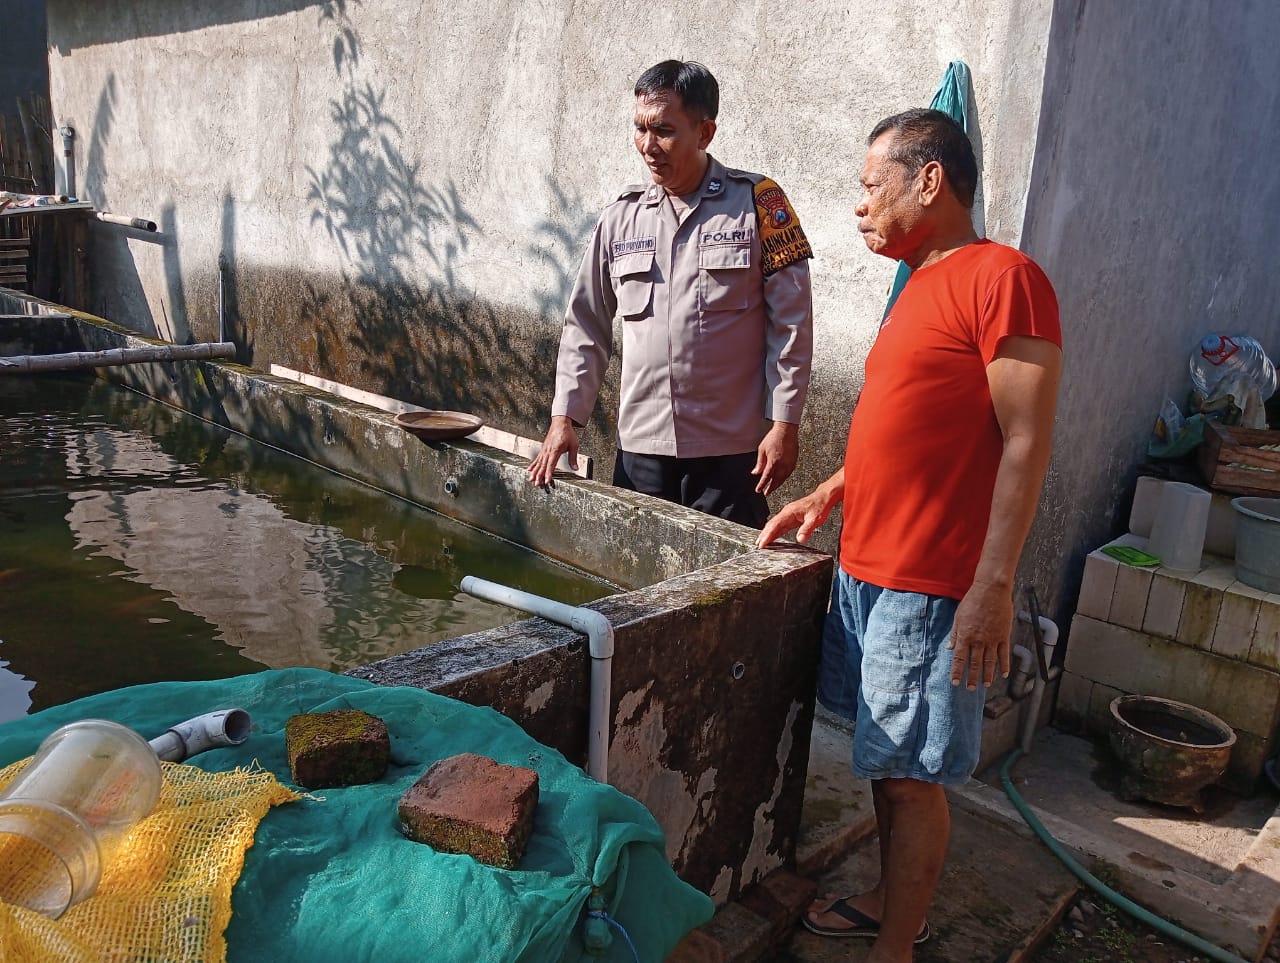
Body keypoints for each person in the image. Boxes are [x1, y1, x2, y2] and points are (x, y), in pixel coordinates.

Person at [756, 108, 1062, 962]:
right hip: (867, 566)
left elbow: (1026, 439)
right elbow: (914, 424)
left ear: (929, 181)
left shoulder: (1004, 277)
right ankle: (894, 904)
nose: (859, 205)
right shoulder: (917, 284)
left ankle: (895, 948)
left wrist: (993, 584)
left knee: (911, 776)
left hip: (931, 584)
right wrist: (830, 489)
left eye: (871, 186)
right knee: (886, 764)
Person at [527, 60, 814, 528]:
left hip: (729, 454)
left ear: (705, 132)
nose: (648, 145)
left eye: (663, 130)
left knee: (728, 571)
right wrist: (565, 418)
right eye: (640, 128)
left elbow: (791, 326)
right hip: (641, 448)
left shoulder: (758, 204)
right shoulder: (621, 218)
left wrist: (785, 423)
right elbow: (586, 325)